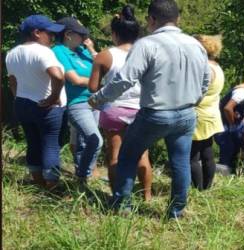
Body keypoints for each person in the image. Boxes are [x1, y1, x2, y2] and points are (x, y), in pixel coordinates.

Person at [89, 0, 210, 218]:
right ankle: (176, 212)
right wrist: (194, 100)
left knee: (127, 157)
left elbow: (124, 80)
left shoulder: (146, 44)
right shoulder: (196, 45)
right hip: (186, 114)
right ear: (178, 19)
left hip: (155, 114)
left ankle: (122, 208)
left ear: (151, 19)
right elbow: (205, 80)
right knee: (180, 162)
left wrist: (98, 99)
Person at [88, 6, 152, 201]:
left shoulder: (105, 55)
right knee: (142, 156)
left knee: (115, 154)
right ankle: (147, 196)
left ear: (115, 34)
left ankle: (118, 197)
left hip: (113, 109)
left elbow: (92, 87)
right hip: (142, 109)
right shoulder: (148, 53)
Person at [5, 15, 66, 189]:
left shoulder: (12, 53)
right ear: (37, 33)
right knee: (50, 144)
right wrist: (54, 97)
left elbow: (12, 82)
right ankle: (52, 187)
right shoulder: (43, 51)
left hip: (23, 104)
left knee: (33, 142)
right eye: (49, 33)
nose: (52, 37)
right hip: (45, 106)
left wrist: (18, 97)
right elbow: (58, 76)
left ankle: (38, 182)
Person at [52, 17, 102, 183]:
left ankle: (82, 178)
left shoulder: (83, 50)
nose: (84, 38)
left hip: (95, 101)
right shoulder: (59, 51)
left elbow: (104, 68)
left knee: (84, 142)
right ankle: (83, 175)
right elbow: (75, 79)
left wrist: (92, 50)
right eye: (81, 35)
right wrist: (101, 84)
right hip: (78, 103)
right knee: (96, 140)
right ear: (68, 34)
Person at [189, 34, 225, 191]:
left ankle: (198, 188)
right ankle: (206, 188)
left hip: (199, 115)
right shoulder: (217, 67)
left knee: (192, 157)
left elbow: (195, 93)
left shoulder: (205, 69)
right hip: (211, 114)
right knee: (207, 153)